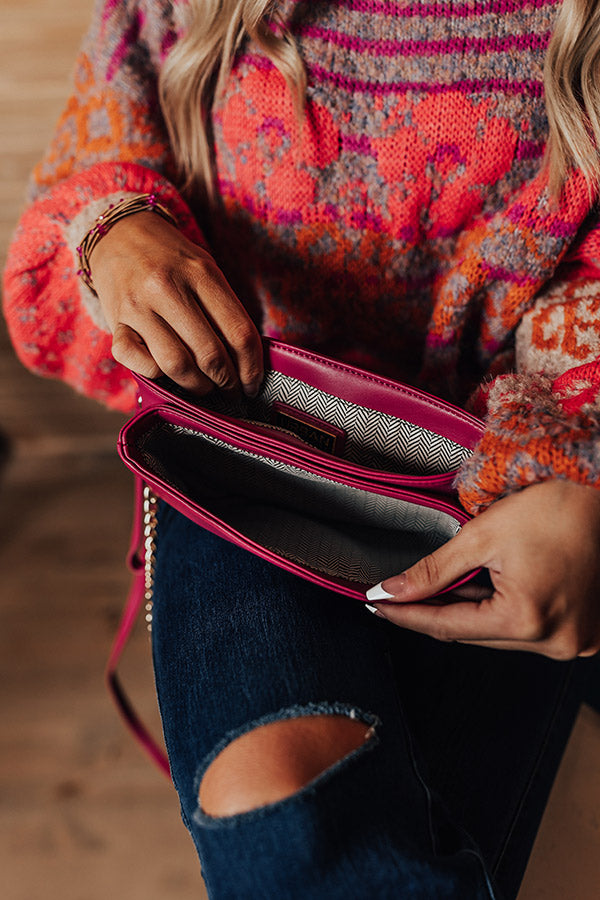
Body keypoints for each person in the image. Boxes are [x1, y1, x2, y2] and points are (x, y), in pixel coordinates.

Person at [4, 0, 600, 896]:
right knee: (284, 805)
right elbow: (96, 162)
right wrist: (113, 230)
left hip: (509, 497)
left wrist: (581, 477)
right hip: (241, 457)